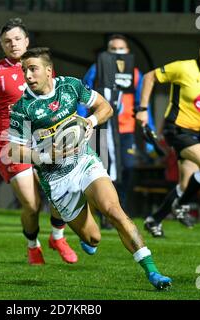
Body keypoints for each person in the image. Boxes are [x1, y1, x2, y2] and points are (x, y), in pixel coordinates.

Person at [9, 47, 172, 290]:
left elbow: (105, 107)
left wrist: (90, 121)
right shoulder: (22, 107)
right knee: (93, 239)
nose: (28, 75)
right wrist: (44, 154)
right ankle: (84, 222)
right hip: (56, 179)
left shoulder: (70, 86)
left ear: (49, 71)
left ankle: (153, 272)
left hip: (84, 161)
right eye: (24, 71)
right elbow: (13, 150)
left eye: (33, 69)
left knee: (114, 211)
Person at [0, 18, 77, 265]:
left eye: (18, 39)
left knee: (59, 194)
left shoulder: (40, 68)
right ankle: (33, 245)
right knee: (32, 205)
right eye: (7, 41)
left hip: (43, 141)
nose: (13, 44)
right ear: (2, 45)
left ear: (27, 41)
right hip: (10, 145)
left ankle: (57, 236)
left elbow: (57, 102)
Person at [138, 34, 200, 237]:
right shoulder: (183, 68)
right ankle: (181, 206)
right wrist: (143, 108)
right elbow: (150, 77)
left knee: (185, 184)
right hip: (176, 129)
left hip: (196, 133)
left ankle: (154, 220)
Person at [82, 34, 156, 229]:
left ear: (128, 52)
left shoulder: (136, 73)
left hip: (126, 130)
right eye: (112, 49)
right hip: (102, 128)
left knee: (128, 169)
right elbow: (83, 95)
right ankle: (105, 213)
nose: (117, 53)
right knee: (103, 171)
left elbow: (142, 103)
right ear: (106, 52)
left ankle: (117, 208)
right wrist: (82, 122)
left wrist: (150, 131)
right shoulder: (96, 69)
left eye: (120, 49)